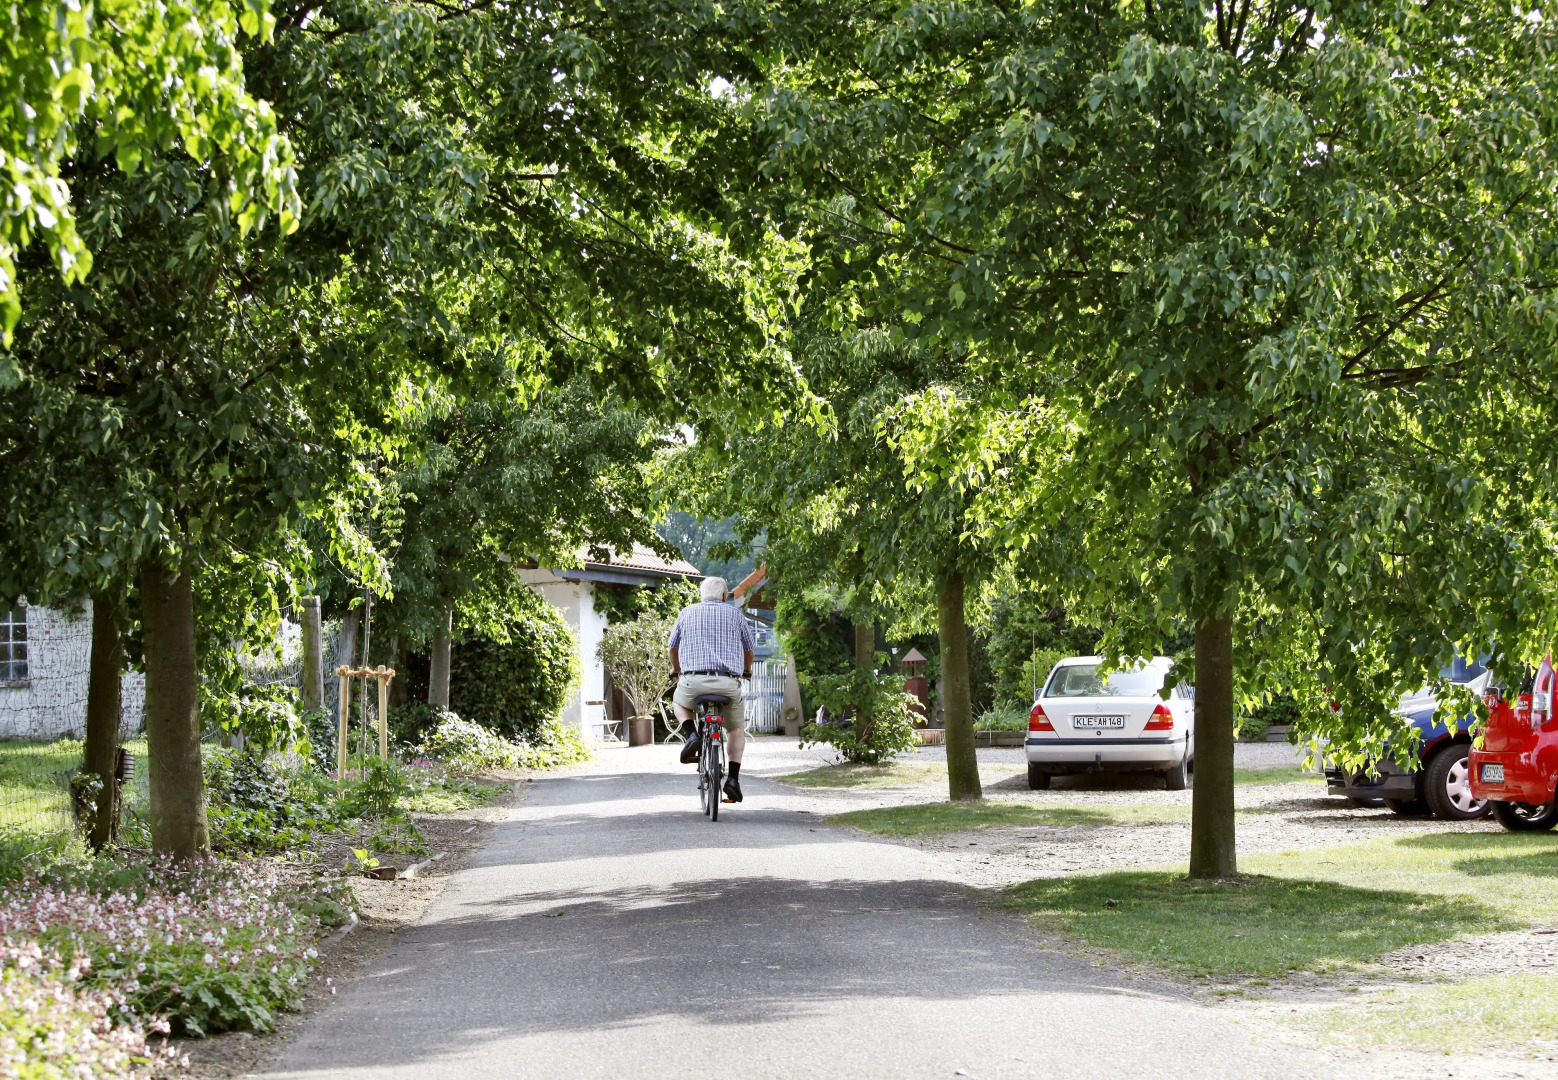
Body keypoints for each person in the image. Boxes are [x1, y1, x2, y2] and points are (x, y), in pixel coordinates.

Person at [669, 576, 755, 803]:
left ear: (701, 594)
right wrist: (746, 671)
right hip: (727, 683)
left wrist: (677, 670)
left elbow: (673, 647)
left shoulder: (686, 612)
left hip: (693, 682)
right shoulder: (735, 614)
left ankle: (692, 735)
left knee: (679, 701)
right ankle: (733, 780)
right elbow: (748, 651)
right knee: (736, 729)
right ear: (724, 596)